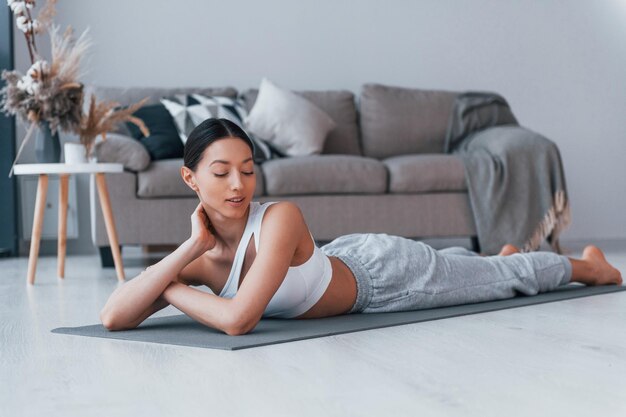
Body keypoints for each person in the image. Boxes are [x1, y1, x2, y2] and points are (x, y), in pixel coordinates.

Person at [99, 118, 623, 336]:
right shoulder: (198, 254)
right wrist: (187, 251)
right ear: (190, 178)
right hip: (349, 268)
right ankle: (501, 257)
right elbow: (113, 317)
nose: (239, 184)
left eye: (249, 170)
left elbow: (237, 319)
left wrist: (168, 288)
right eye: (221, 173)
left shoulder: (279, 218)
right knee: (482, 271)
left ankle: (587, 266)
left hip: (384, 277)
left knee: (497, 286)